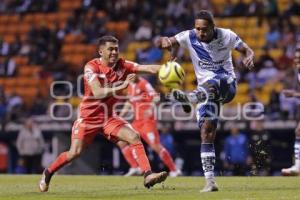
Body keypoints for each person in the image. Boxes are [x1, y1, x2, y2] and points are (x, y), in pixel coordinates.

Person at [39, 35, 168, 192]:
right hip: (88, 118)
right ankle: (48, 172)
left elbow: (146, 68)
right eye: (110, 49)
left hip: (108, 117)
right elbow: (98, 92)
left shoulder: (122, 65)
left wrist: (168, 68)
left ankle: (148, 175)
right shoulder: (91, 67)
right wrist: (123, 84)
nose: (114, 52)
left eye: (116, 49)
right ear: (100, 51)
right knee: (74, 153)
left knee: (133, 136)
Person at [157, 10, 254, 192]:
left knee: (217, 80)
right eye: (198, 29)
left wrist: (249, 55)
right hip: (206, 93)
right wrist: (164, 41)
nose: (200, 33)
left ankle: (189, 97)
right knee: (206, 132)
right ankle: (210, 182)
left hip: (227, 86)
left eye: (204, 29)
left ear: (213, 27)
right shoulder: (189, 36)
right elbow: (165, 40)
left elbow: (247, 49)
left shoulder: (227, 35)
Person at [117, 76, 181, 177]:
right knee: (121, 141)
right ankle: (135, 167)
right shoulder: (129, 86)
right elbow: (129, 103)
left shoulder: (143, 83)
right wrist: (120, 116)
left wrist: (150, 107)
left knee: (155, 146)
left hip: (148, 122)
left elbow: (156, 97)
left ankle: (174, 169)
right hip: (137, 122)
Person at [281, 47, 300, 176]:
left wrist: (294, 94)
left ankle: (298, 166)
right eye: (295, 57)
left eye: (299, 58)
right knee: (298, 131)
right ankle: (297, 166)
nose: (296, 60)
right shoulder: (297, 71)